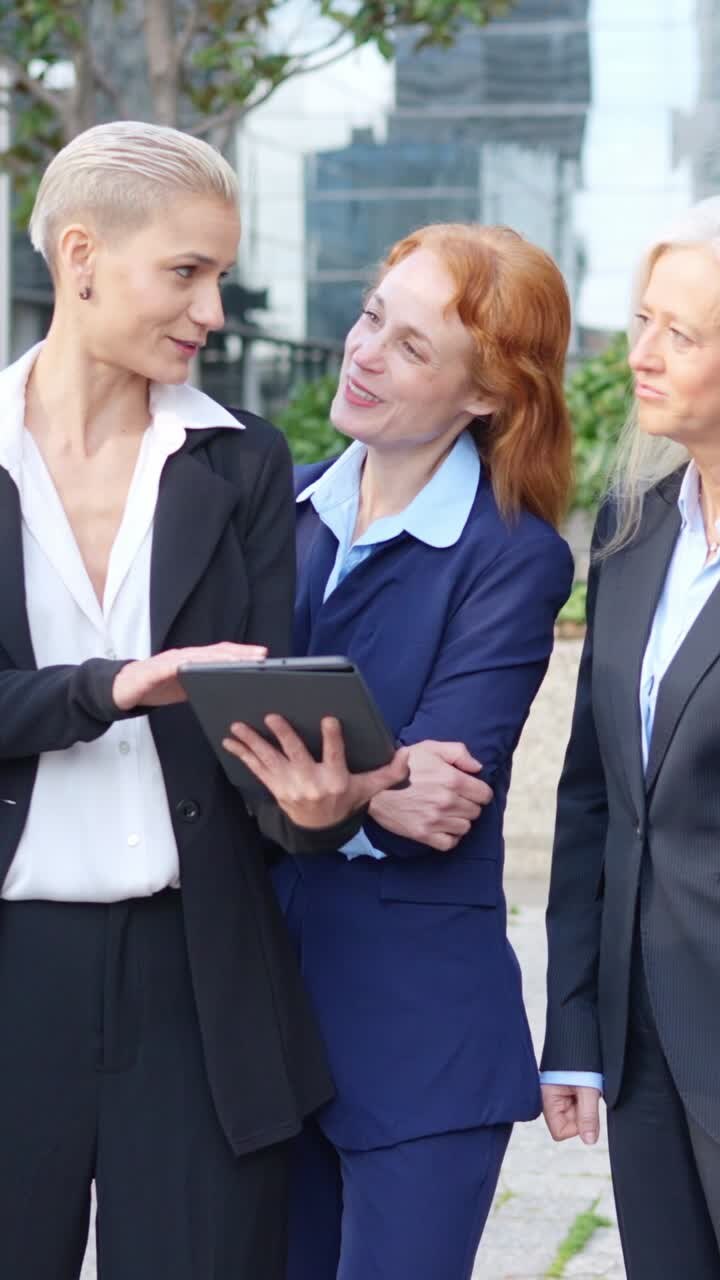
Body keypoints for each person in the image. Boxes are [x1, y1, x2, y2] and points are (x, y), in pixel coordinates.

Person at [0, 120, 408, 1280]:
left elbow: (258, 750)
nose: (215, 310)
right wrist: (109, 687)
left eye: (219, 275)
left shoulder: (242, 461)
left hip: (199, 978)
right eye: (187, 271)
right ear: (81, 257)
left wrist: (320, 804)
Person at [225, 222, 575, 1280]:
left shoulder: (513, 558)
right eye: (374, 317)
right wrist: (377, 779)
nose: (364, 351)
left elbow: (446, 792)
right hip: (261, 1025)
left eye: (413, 347)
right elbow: (216, 738)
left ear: (486, 396)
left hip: (419, 1039)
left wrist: (340, 787)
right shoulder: (274, 510)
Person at [541, 196, 720, 1277]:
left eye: (680, 333)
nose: (639, 355)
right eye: (642, 319)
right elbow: (594, 794)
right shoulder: (632, 523)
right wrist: (574, 1021)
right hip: (643, 1046)